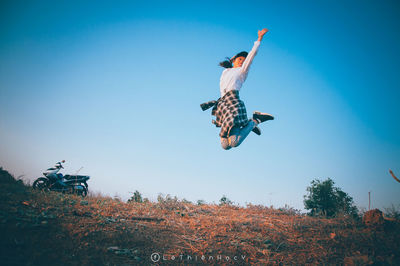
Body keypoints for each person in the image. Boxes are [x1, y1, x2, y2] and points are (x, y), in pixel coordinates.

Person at [201, 28, 274, 150]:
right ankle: (248, 124)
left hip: (234, 102)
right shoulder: (225, 71)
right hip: (223, 104)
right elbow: (221, 88)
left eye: (243, 61)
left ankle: (255, 120)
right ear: (234, 59)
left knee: (234, 143)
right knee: (225, 146)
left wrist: (259, 39)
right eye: (240, 59)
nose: (242, 62)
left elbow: (251, 56)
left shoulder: (242, 71)